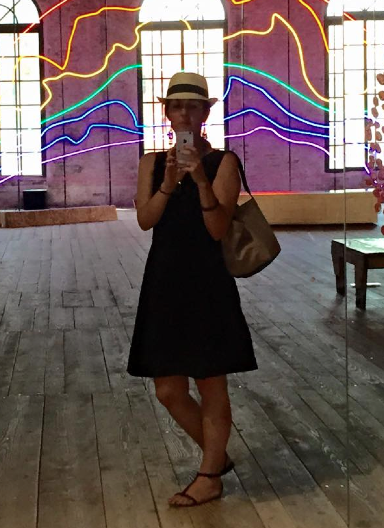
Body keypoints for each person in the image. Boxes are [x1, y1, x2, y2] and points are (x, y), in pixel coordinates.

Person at [127, 72, 258, 507]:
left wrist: (201, 180)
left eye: (193, 106)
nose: (184, 113)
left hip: (207, 282)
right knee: (168, 389)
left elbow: (217, 228)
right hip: (163, 281)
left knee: (210, 381)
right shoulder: (151, 163)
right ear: (166, 112)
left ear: (205, 113)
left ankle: (209, 475)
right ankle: (216, 457)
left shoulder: (224, 163)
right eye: (177, 106)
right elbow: (146, 220)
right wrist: (168, 183)